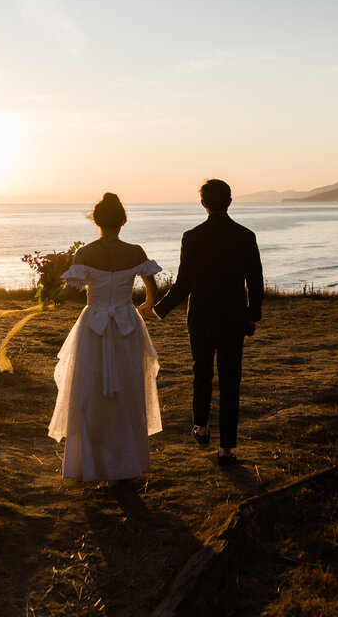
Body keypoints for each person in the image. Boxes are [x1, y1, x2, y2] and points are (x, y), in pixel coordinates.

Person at [141, 179, 263, 468]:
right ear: (230, 201)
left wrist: (159, 310)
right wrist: (252, 315)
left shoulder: (192, 237)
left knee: (202, 372)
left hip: (201, 317)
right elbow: (255, 280)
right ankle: (226, 449)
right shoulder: (245, 236)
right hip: (234, 316)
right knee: (231, 379)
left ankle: (202, 427)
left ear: (203, 203)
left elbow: (184, 284)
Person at [48, 193, 162, 482]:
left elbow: (70, 291)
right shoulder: (135, 251)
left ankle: (88, 462)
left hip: (93, 326)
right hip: (126, 325)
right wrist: (147, 305)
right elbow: (152, 286)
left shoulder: (85, 253)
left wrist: (50, 297)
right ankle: (126, 462)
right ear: (122, 221)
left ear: (96, 221)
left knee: (88, 389)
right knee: (127, 389)